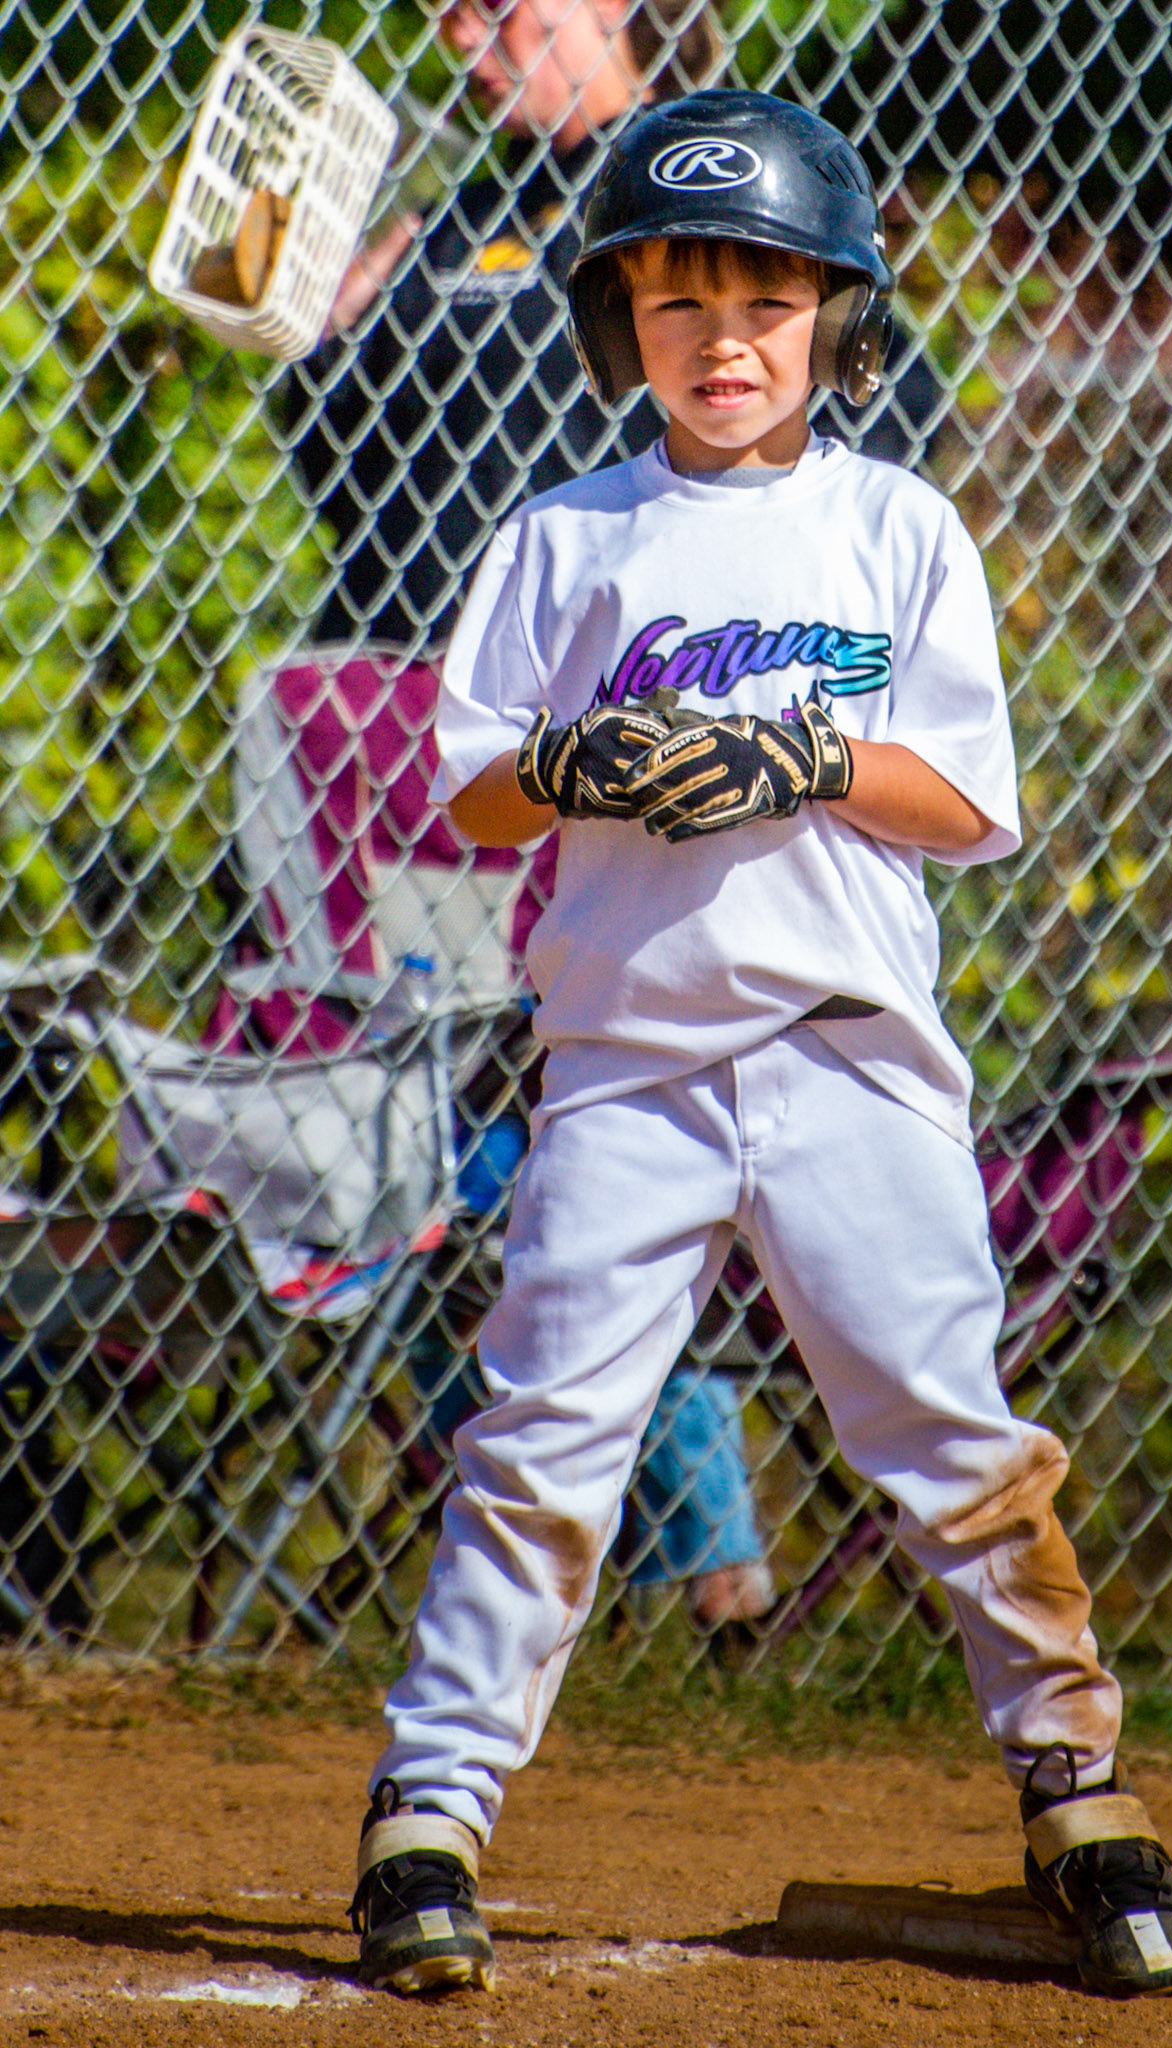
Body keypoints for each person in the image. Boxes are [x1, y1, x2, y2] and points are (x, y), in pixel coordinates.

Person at [344, 88, 1172, 2004]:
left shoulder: (894, 525)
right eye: (675, 303)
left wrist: (807, 751)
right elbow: (475, 789)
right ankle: (428, 1815)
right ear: (619, 326)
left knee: (946, 1430)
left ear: (837, 321)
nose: (722, 342)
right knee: (541, 1438)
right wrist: (576, 760)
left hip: (846, 1062)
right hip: (624, 1065)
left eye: (767, 302)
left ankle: (1079, 1795)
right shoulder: (564, 537)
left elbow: (963, 802)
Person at [267, 0, 776, 1630]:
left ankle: (699, 1557)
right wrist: (321, 342)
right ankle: (567, 1534)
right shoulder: (457, 222)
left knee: (600, 1122)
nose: (465, 33)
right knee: (430, 1134)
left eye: (503, 6)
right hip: (427, 762)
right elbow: (359, 497)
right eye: (453, 12)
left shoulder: (706, 193)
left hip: (613, 747)